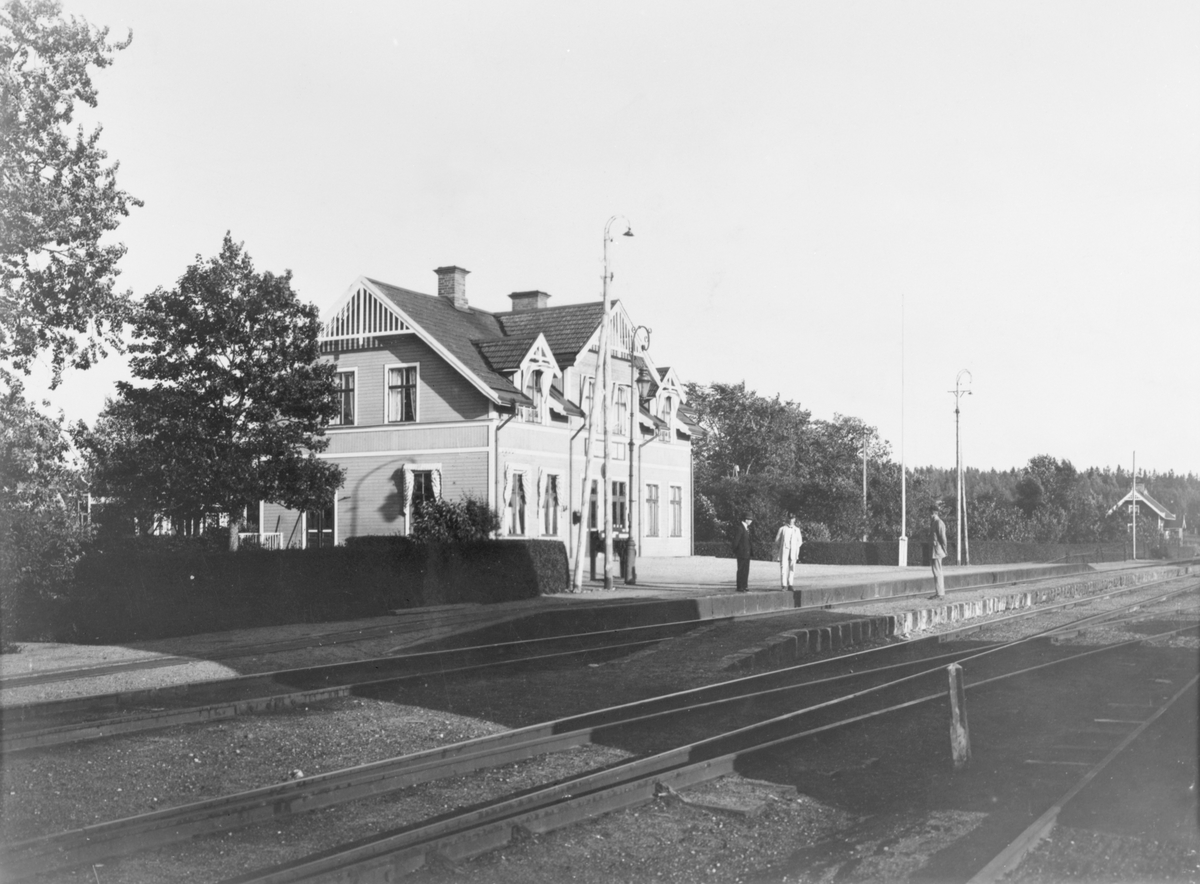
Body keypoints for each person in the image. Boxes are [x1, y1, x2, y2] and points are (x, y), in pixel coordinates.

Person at [774, 514, 803, 590]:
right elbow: (777, 540)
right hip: (785, 550)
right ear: (787, 519)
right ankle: (784, 585)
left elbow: (800, 541)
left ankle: (790, 584)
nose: (791, 520)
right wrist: (781, 547)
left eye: (792, 519)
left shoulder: (797, 529)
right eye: (790, 519)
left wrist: (795, 548)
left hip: (793, 551)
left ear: (794, 519)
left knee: (792, 567)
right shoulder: (782, 529)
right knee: (783, 567)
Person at [930, 503, 948, 598]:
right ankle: (939, 592)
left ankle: (940, 593)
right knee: (936, 571)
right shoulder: (934, 522)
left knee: (938, 571)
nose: (930, 515)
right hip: (935, 550)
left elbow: (943, 538)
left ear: (934, 513)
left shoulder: (938, 523)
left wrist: (945, 549)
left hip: (937, 550)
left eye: (931, 513)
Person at [731, 514, 753, 592]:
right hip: (741, 553)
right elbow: (736, 541)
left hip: (747, 553)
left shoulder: (746, 528)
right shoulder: (740, 528)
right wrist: (737, 551)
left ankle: (744, 585)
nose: (751, 521)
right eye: (750, 519)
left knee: (746, 570)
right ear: (746, 519)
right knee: (741, 570)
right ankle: (740, 586)